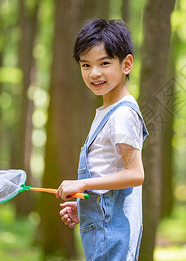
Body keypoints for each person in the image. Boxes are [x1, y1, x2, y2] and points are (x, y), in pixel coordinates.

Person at [55, 19, 148, 260]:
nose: (94, 73)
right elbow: (109, 173)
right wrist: (86, 207)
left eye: (104, 63)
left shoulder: (122, 115)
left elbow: (135, 174)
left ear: (126, 64)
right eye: (86, 65)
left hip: (114, 234)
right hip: (104, 227)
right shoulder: (108, 111)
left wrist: (82, 185)